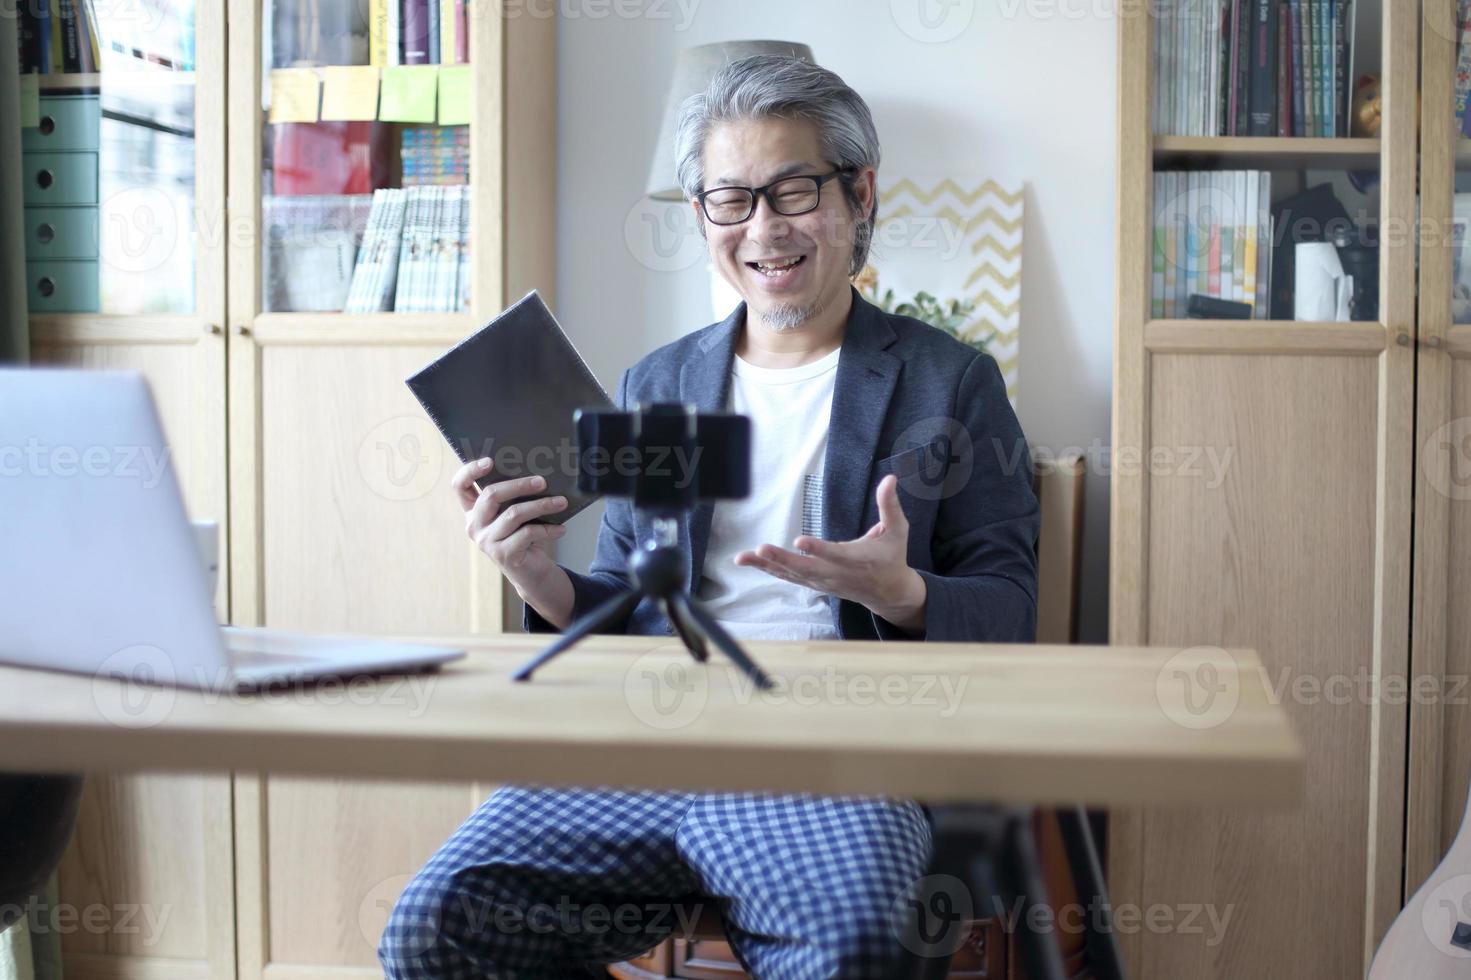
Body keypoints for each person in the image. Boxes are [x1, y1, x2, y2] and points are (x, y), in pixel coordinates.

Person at [381, 54, 1039, 980]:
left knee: (853, 951)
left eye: (794, 191)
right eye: (730, 200)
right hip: (644, 737)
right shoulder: (657, 384)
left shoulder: (950, 380)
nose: (763, 227)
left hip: (836, 752)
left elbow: (1012, 611)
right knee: (434, 930)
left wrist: (905, 594)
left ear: (858, 194)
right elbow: (621, 607)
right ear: (701, 220)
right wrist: (535, 574)